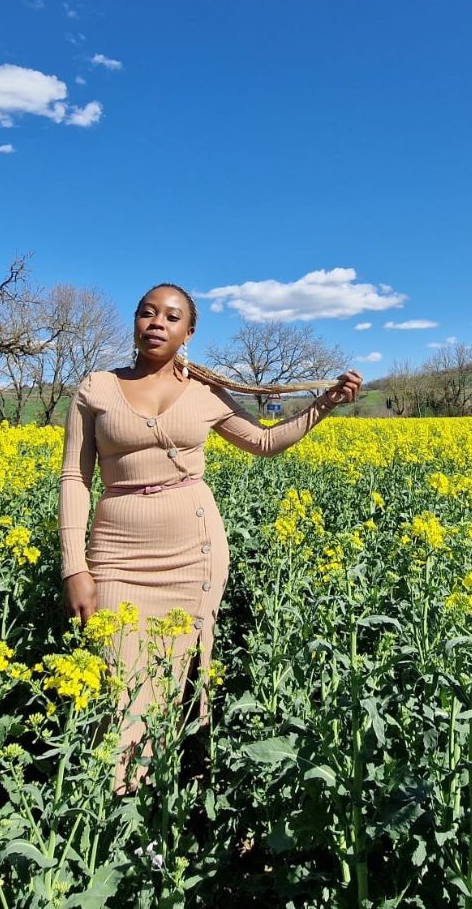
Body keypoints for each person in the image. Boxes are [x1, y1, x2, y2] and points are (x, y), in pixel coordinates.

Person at [58, 282, 361, 790]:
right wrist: (74, 566)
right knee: (117, 691)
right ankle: (110, 809)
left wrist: (325, 404)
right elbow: (74, 478)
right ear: (134, 322)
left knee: (168, 686)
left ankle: (152, 812)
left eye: (171, 317)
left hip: (192, 556)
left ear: (188, 333)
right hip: (117, 558)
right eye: (147, 313)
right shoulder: (96, 388)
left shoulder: (205, 393)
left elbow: (264, 442)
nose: (157, 322)